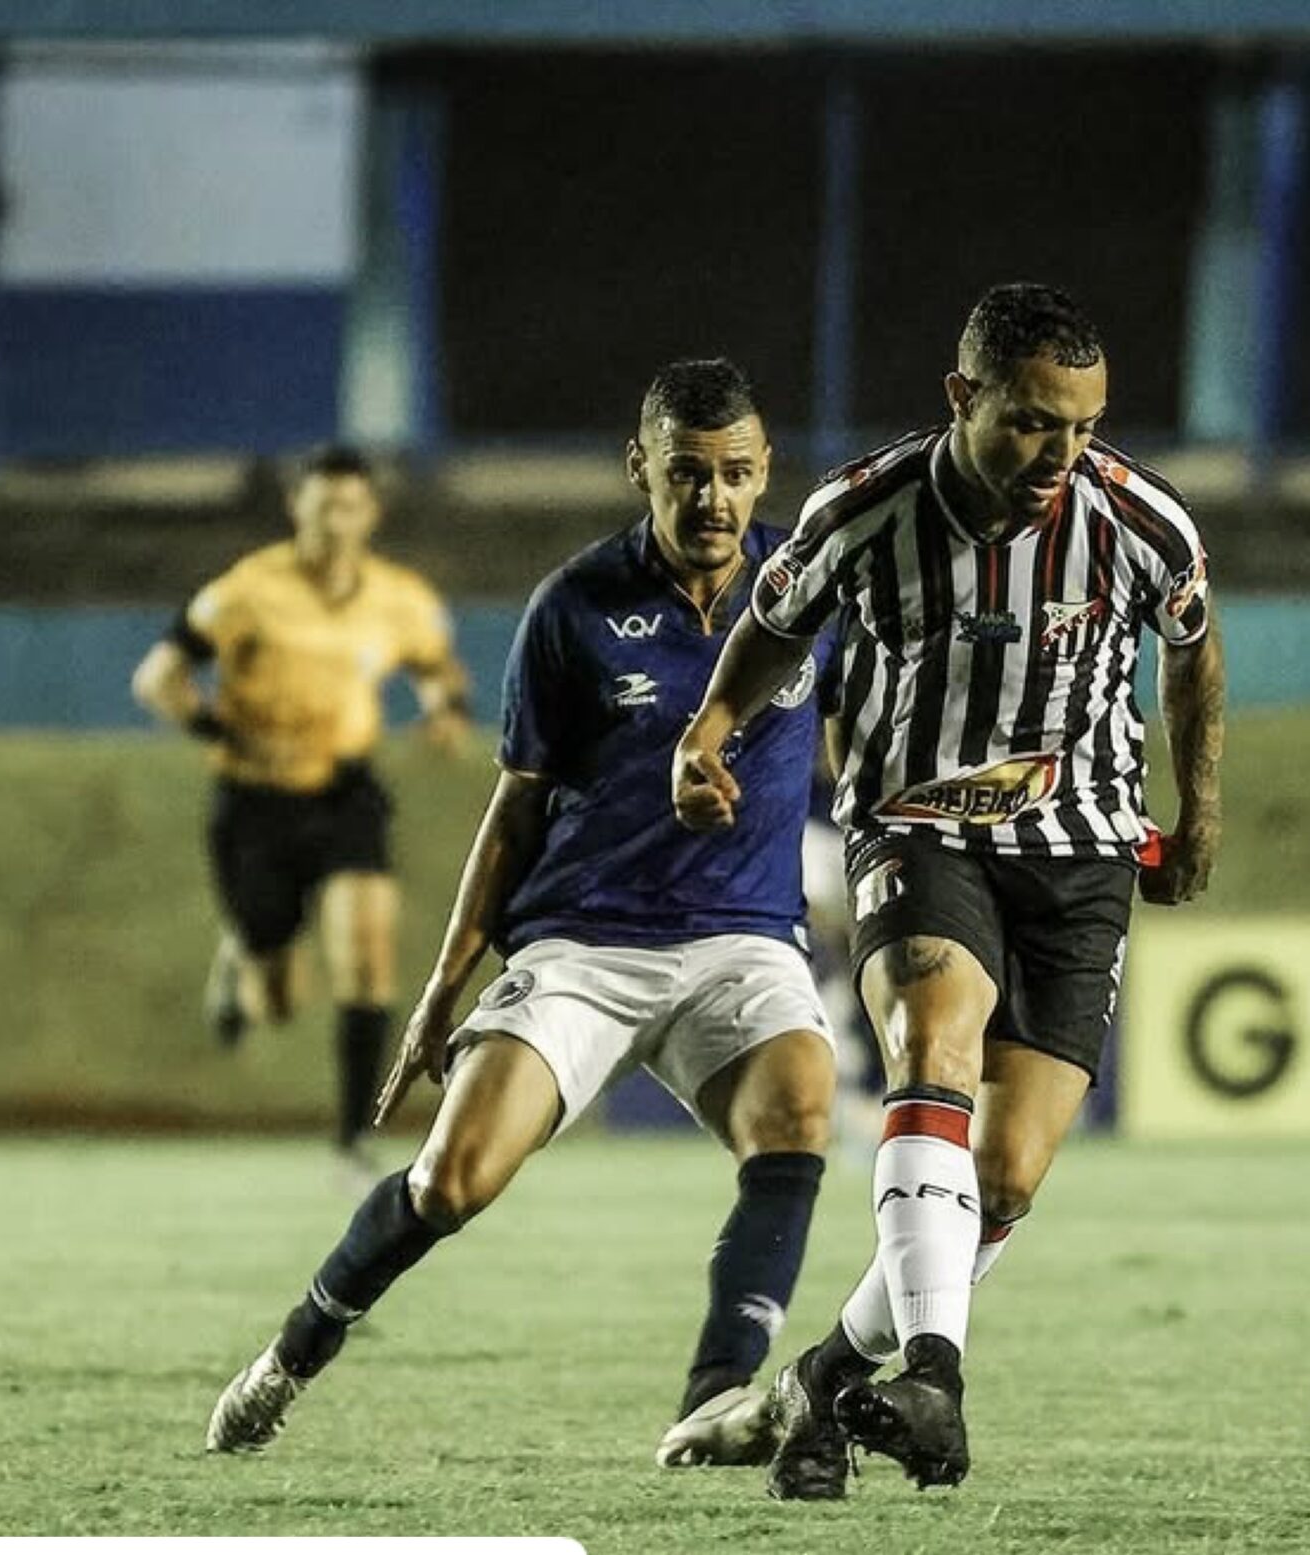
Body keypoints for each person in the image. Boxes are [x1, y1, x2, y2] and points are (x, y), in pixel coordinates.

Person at [202, 361, 843, 1470]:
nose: (714, 500)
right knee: (451, 1182)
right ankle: (292, 1352)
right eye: (687, 474)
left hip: (740, 938)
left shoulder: (810, 589)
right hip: (584, 942)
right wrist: (442, 987)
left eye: (736, 474)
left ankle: (716, 1395)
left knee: (796, 1115)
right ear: (639, 467)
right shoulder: (575, 608)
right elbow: (514, 808)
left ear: (765, 470)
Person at [673, 283, 1226, 1499]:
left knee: (1011, 1176)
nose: (1059, 455)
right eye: (1031, 422)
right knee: (937, 1046)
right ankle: (936, 1368)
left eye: (1080, 427)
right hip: (920, 829)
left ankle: (824, 1383)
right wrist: (708, 725)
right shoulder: (861, 515)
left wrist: (1199, 811)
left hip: (1082, 853)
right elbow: (774, 623)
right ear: (961, 396)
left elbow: (1191, 649)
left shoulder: (1138, 522)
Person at [130, 446, 471, 1173]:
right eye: (321, 507)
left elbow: (437, 666)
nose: (335, 522)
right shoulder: (250, 588)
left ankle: (354, 1136)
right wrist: (219, 731)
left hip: (345, 791)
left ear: (370, 513)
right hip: (255, 803)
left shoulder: (398, 595)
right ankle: (243, 958)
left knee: (366, 950)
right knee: (277, 997)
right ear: (298, 509)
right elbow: (159, 675)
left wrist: (443, 709)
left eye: (349, 507)